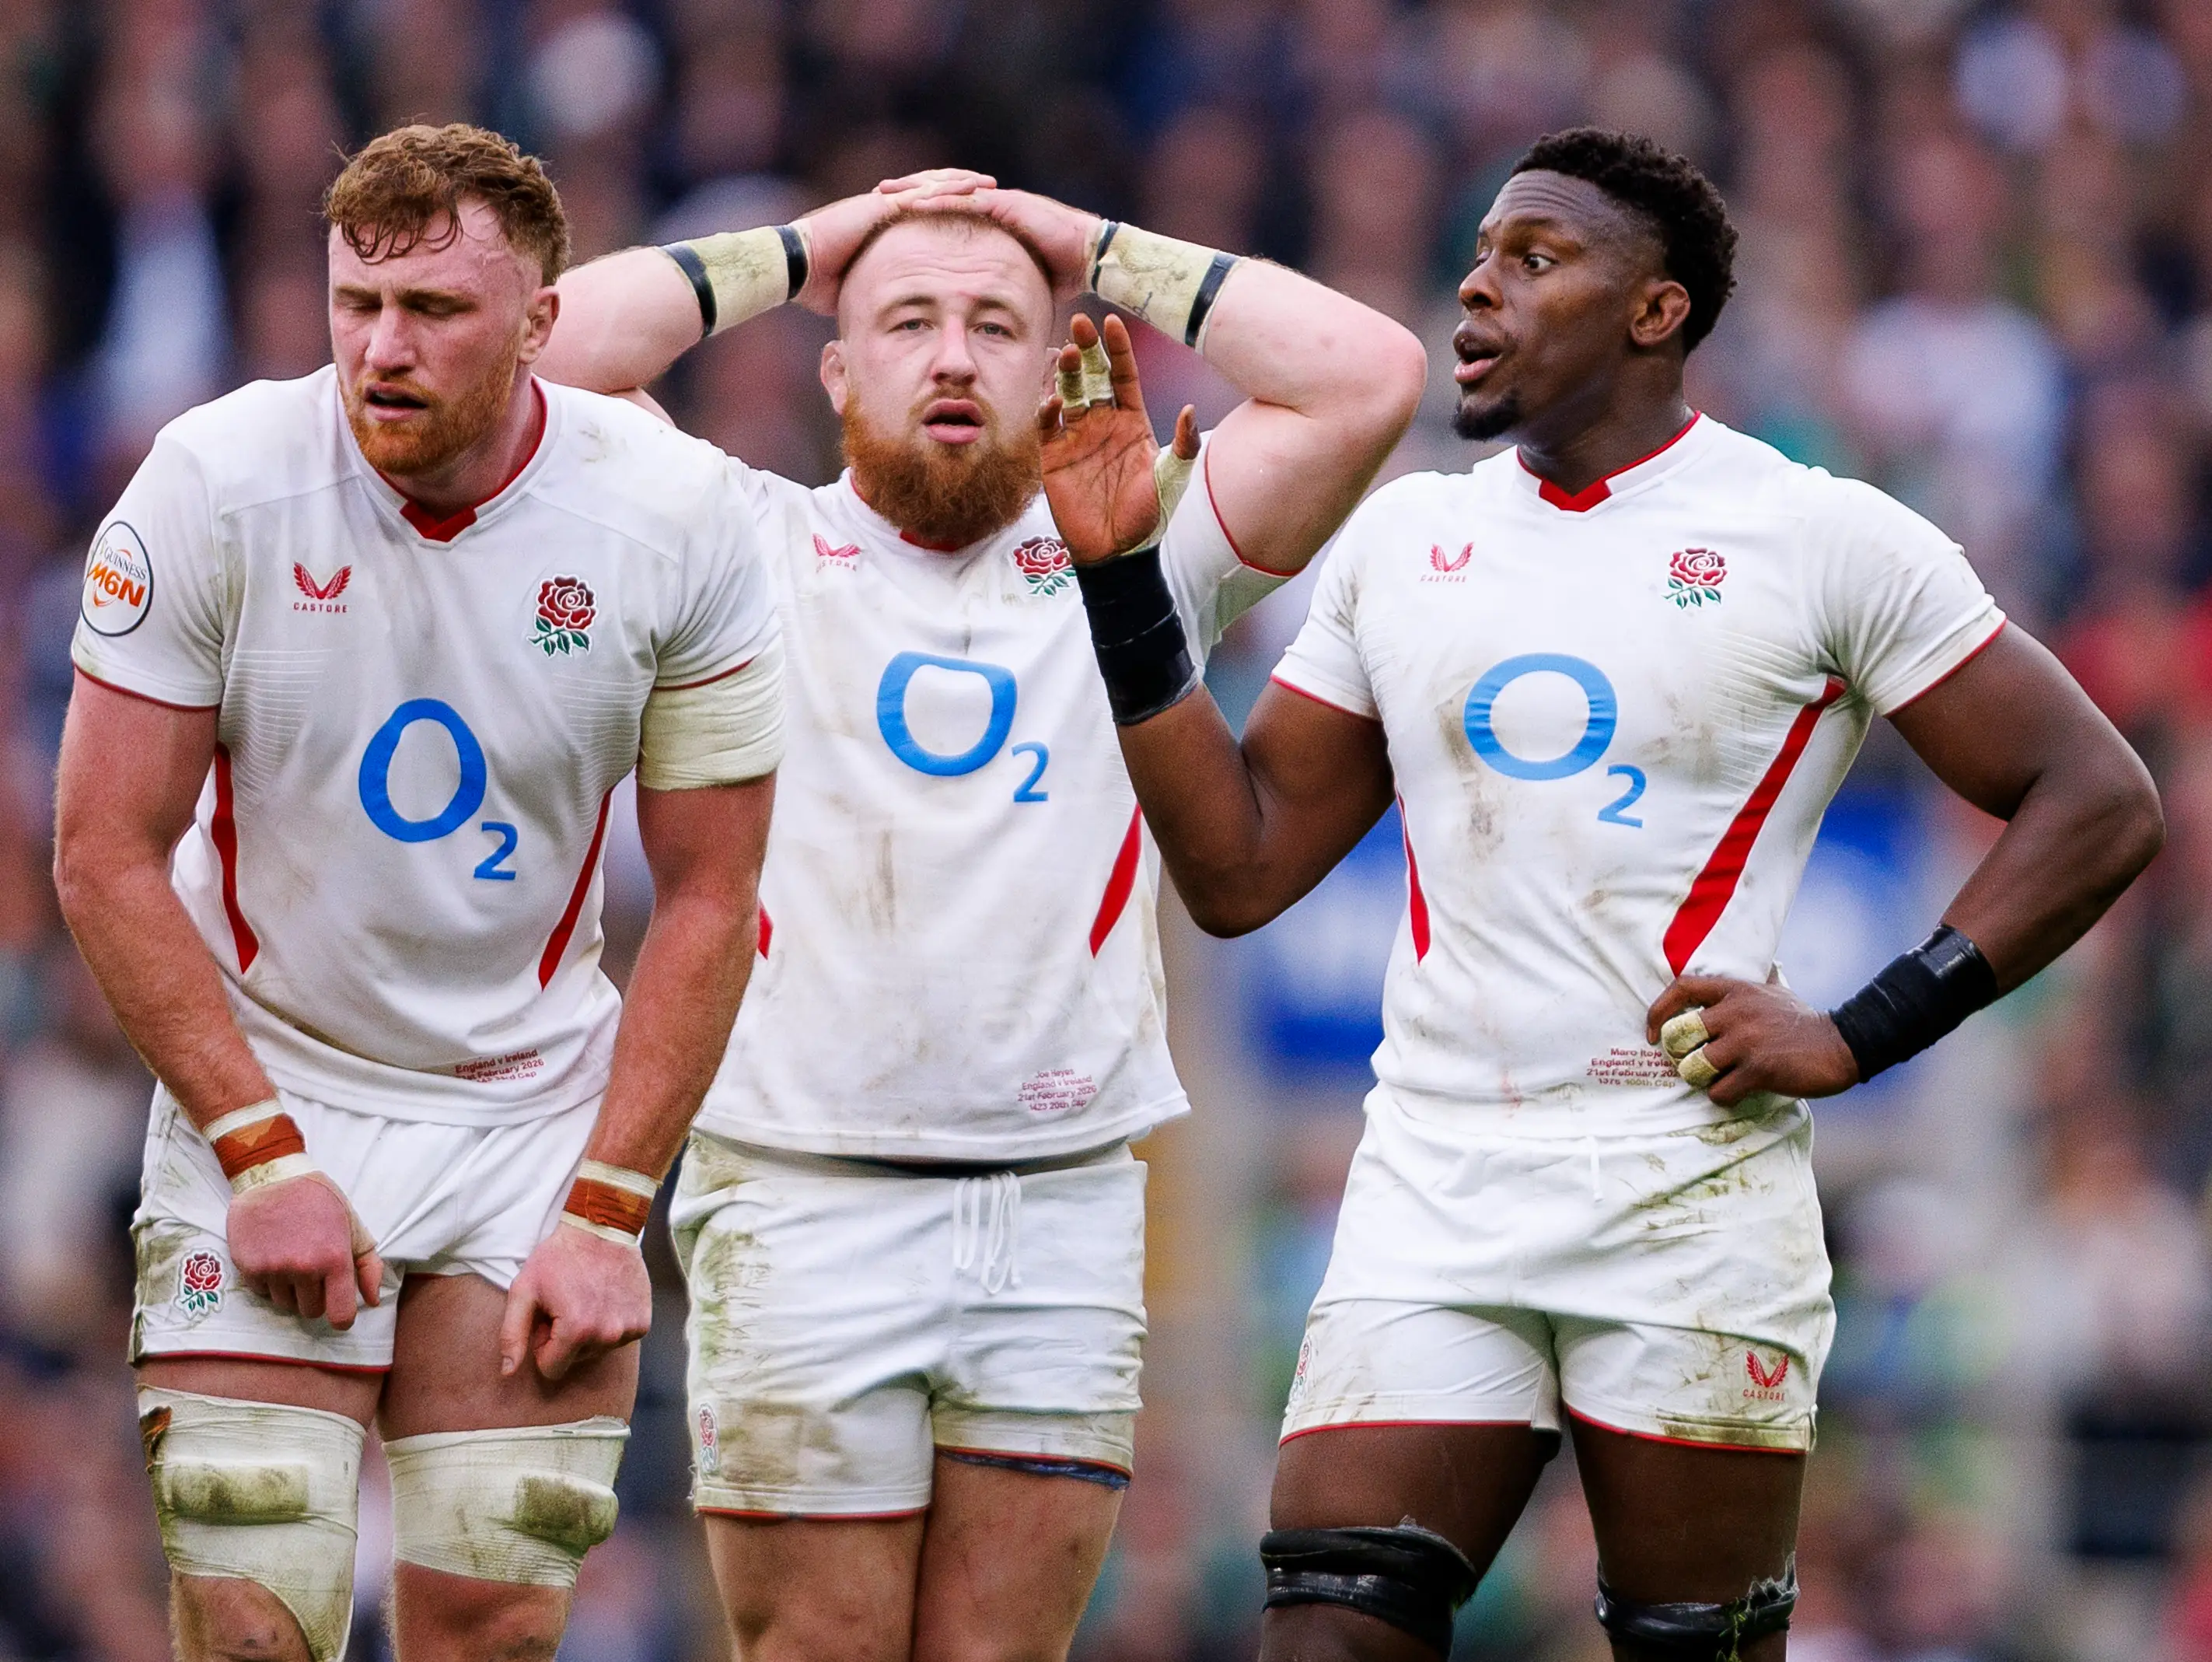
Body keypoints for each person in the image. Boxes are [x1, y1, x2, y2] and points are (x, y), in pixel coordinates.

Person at [1037, 128, 2165, 1660]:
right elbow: (1236, 871)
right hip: (1436, 1179)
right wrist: (1119, 586)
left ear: (1659, 313)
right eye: (1481, 254)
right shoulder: (1403, 539)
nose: (1477, 287)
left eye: (1535, 259)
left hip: (1686, 1190)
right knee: (1322, 1631)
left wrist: (1863, 1030)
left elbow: (2099, 800)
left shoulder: (1821, 536)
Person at [536, 177, 1424, 1658]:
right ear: (836, 363)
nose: (953, 356)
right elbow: (544, 353)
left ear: (1057, 359)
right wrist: (817, 244)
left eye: (997, 326)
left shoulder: (1138, 555)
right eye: (907, 323)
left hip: (1059, 1203)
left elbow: (1368, 376)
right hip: (799, 1192)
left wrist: (1092, 243)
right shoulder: (733, 541)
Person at [54, 124, 782, 1662]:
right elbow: (105, 850)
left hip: (531, 1119)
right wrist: (260, 1156)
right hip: (277, 1081)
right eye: (355, 303)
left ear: (541, 321)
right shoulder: (217, 481)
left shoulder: (681, 516)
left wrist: (608, 1205)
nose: (383, 349)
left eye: (436, 312)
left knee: (494, 1629)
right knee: (255, 1624)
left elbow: (716, 897)